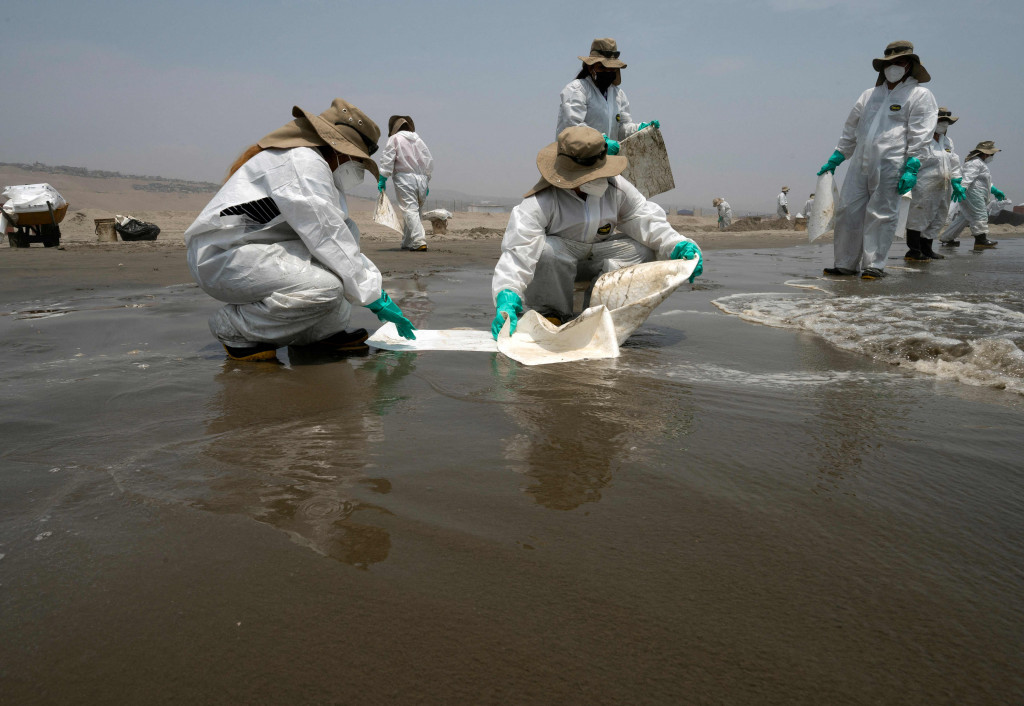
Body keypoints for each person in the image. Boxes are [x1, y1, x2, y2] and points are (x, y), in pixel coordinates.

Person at [184, 98, 417, 362]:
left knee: (346, 239)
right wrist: (375, 296)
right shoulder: (301, 163)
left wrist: (372, 289)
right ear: (339, 149)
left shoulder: (317, 167)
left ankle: (317, 334)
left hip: (260, 248)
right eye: (358, 160)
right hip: (223, 257)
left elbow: (337, 237)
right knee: (325, 287)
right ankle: (235, 328)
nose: (358, 168)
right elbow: (326, 236)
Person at [490, 126, 703, 339]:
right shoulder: (541, 201)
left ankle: (599, 311)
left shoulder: (616, 187)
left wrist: (676, 244)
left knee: (644, 250)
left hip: (600, 255)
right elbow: (518, 253)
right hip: (560, 262)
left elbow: (645, 218)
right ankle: (552, 314)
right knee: (544, 251)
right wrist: (507, 296)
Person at [817, 40, 938, 279]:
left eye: (898, 62)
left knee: (881, 214)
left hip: (891, 164)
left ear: (909, 65)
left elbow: (921, 133)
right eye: (888, 63)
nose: (893, 67)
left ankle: (874, 264)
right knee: (848, 212)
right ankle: (845, 263)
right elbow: (851, 128)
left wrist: (913, 165)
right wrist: (838, 156)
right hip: (859, 164)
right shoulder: (869, 95)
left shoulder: (919, 95)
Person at [556, 38, 660, 156]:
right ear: (591, 68)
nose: (607, 72)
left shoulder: (618, 95)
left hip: (605, 160)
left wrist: (640, 130)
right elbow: (573, 126)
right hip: (577, 161)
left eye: (611, 68)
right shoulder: (577, 89)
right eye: (602, 68)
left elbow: (621, 129)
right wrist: (601, 141)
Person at [903, 107, 963, 261]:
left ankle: (927, 249)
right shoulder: (922, 139)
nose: (945, 124)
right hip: (924, 185)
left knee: (938, 216)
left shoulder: (947, 141)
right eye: (941, 121)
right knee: (919, 216)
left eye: (947, 122)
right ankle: (914, 251)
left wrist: (957, 181)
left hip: (943, 186)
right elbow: (912, 158)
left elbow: (954, 162)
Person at [376, 115, 434, 252]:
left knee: (409, 209)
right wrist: (427, 181)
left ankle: (419, 241)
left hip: (404, 177)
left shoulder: (394, 139)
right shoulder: (419, 140)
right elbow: (428, 162)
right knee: (415, 210)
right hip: (422, 178)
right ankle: (408, 241)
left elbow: (388, 158)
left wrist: (383, 177)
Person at [938, 140, 1002, 250]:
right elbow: (968, 177)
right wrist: (962, 188)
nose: (992, 156)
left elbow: (983, 182)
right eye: (992, 154)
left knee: (965, 217)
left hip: (973, 193)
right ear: (986, 154)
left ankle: (947, 238)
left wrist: (994, 190)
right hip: (973, 194)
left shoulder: (979, 163)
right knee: (980, 214)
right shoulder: (975, 163)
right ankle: (981, 240)